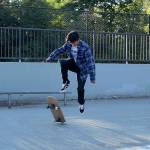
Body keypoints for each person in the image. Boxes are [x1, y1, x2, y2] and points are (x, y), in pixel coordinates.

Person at [46, 31, 96, 113]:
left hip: (83, 69)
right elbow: (59, 50)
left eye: (74, 42)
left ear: (78, 40)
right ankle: (65, 82)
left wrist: (92, 77)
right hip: (73, 64)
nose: (72, 44)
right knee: (63, 63)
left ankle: (81, 103)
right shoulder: (68, 44)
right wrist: (49, 59)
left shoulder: (85, 47)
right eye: (71, 42)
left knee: (80, 88)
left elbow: (90, 62)